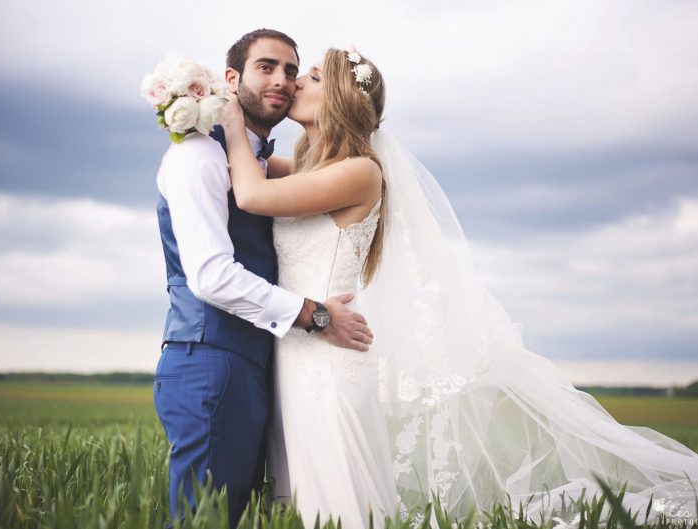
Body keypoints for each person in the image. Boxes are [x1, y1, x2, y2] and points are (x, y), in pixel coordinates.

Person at [218, 47, 698, 528]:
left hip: (328, 360)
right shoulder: (309, 170)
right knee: (305, 502)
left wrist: (232, 117)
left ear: (339, 98)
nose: (296, 82)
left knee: (338, 504)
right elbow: (252, 166)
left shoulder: (358, 172)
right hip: (297, 352)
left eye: (314, 77)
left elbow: (252, 192)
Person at [152, 30, 374, 528]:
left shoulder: (266, 165)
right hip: (212, 362)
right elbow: (210, 276)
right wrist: (315, 315)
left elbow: (267, 183)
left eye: (294, 72)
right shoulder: (199, 156)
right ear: (231, 80)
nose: (284, 81)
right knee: (204, 522)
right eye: (267, 67)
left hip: (264, 367)